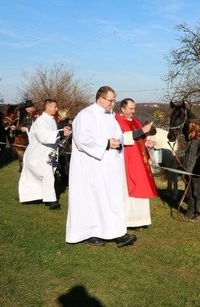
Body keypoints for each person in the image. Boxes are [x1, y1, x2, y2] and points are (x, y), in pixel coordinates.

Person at [65, 86, 136, 248]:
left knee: (112, 199)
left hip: (110, 166)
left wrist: (118, 143)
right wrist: (106, 143)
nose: (113, 103)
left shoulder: (110, 116)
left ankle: (115, 232)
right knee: (94, 200)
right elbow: (82, 139)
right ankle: (93, 233)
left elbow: (117, 135)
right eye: (111, 100)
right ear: (100, 99)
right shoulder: (85, 115)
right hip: (92, 167)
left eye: (114, 100)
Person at [17, 99, 72, 209]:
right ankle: (51, 201)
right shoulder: (41, 121)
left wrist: (62, 130)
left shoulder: (50, 120)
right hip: (37, 155)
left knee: (47, 176)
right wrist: (61, 133)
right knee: (47, 176)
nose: (57, 109)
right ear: (49, 107)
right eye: (55, 107)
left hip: (46, 154)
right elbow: (43, 136)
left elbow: (51, 133)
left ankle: (43, 197)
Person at [115, 98, 158, 229]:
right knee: (130, 189)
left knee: (142, 186)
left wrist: (147, 143)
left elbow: (141, 139)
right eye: (131, 109)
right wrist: (142, 131)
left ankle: (141, 220)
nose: (134, 111)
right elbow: (124, 137)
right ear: (123, 109)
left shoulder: (136, 121)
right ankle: (131, 221)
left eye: (134, 108)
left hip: (140, 160)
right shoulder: (117, 121)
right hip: (127, 161)